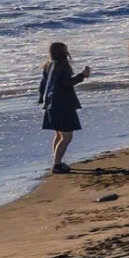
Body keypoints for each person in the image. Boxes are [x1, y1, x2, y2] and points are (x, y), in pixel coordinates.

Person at [38, 41, 89, 174]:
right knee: (67, 136)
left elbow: (42, 84)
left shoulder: (48, 65)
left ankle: (57, 160)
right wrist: (82, 75)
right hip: (63, 105)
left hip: (50, 104)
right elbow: (67, 83)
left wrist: (41, 98)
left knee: (59, 134)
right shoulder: (62, 66)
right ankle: (57, 164)